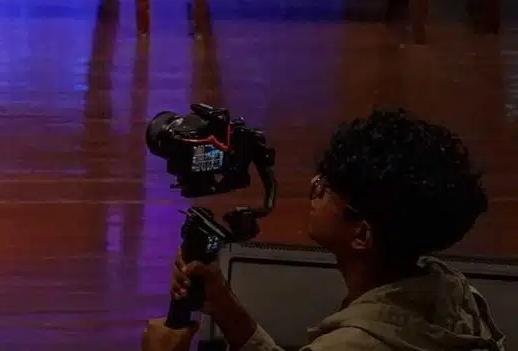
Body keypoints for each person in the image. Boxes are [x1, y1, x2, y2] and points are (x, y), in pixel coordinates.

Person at [145, 111, 501, 351]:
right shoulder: (455, 295)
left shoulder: (351, 343)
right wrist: (225, 307)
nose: (314, 185)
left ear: (361, 235)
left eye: (327, 187)